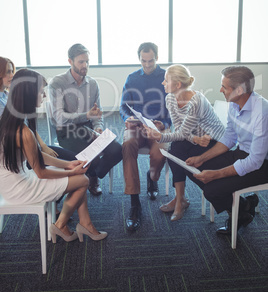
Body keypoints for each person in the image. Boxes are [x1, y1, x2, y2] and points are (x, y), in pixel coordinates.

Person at [0, 68, 107, 243]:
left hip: (15, 179)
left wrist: (68, 165)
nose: (43, 96)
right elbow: (41, 171)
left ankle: (84, 224)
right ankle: (61, 224)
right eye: (41, 92)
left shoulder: (14, 118)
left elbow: (38, 155)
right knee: (83, 180)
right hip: (18, 188)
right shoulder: (23, 130)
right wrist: (71, 172)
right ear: (29, 94)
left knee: (79, 174)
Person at [185, 66, 268, 235]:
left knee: (211, 189)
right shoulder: (235, 103)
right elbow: (230, 138)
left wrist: (215, 174)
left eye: (224, 86)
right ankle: (244, 207)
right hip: (242, 153)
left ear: (239, 90)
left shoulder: (263, 112)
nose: (220, 90)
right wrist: (201, 158)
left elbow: (255, 161)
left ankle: (240, 212)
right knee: (193, 169)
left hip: (262, 165)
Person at [144, 64, 225, 221]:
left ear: (178, 84)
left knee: (179, 154)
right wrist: (194, 139)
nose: (163, 83)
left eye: (166, 80)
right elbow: (181, 129)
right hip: (195, 138)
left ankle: (181, 200)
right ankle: (180, 199)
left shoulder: (197, 102)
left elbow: (181, 133)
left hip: (212, 140)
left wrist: (160, 136)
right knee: (175, 150)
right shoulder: (170, 98)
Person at [48, 43, 122, 196]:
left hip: (88, 128)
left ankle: (93, 174)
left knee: (117, 150)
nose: (85, 65)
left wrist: (97, 127)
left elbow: (96, 114)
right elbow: (59, 117)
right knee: (91, 158)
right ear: (70, 61)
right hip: (67, 130)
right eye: (81, 62)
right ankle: (92, 177)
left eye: (87, 61)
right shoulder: (57, 83)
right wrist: (86, 115)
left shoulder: (93, 84)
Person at [120, 42, 171, 231]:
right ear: (139, 58)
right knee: (128, 144)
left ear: (157, 58)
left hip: (158, 126)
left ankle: (152, 177)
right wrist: (127, 118)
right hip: (138, 124)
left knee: (160, 154)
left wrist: (164, 124)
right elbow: (123, 106)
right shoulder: (132, 78)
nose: (147, 65)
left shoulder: (167, 77)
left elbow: (174, 109)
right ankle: (135, 204)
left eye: (151, 61)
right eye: (143, 61)